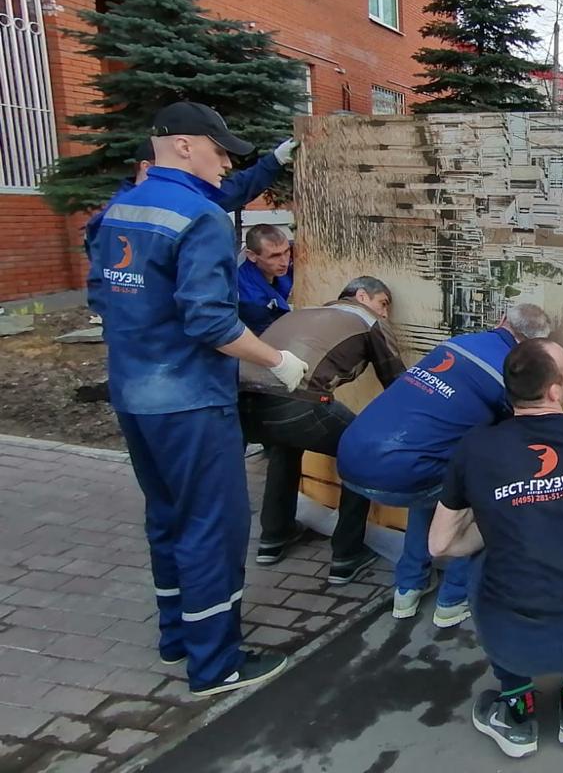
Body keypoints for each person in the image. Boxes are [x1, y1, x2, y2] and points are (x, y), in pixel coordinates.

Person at [88, 101, 309, 697]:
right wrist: (277, 360)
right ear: (185, 145)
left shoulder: (120, 208)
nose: (225, 163)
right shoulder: (201, 216)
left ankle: (177, 635)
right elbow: (212, 323)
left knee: (167, 515)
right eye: (219, 150)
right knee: (214, 525)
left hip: (135, 395)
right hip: (190, 401)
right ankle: (216, 664)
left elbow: (102, 295)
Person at [428, 338, 563, 758]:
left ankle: (517, 712)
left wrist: (502, 521)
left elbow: (440, 544)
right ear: (555, 391)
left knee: (485, 558)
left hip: (512, 627)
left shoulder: (475, 449)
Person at [337, 304, 552, 625]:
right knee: (486, 497)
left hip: (350, 457)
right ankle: (454, 598)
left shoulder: (455, 344)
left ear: (502, 320)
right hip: (403, 475)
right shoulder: (510, 373)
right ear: (534, 345)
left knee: (433, 491)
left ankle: (409, 587)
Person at [239, 277, 405, 583]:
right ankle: (347, 555)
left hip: (243, 405)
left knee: (285, 446)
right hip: (296, 402)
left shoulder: (302, 312)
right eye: (383, 303)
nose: (384, 314)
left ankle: (274, 537)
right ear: (362, 295)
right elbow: (398, 383)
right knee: (360, 452)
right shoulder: (367, 320)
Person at [85, 135, 295, 311]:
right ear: (147, 167)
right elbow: (102, 284)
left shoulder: (185, 201)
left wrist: (275, 160)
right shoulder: (116, 216)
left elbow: (232, 191)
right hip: (156, 341)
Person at [237, 224, 294, 335]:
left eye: (287, 251)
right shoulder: (250, 299)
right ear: (252, 256)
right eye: (274, 256)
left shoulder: (275, 268)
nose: (284, 262)